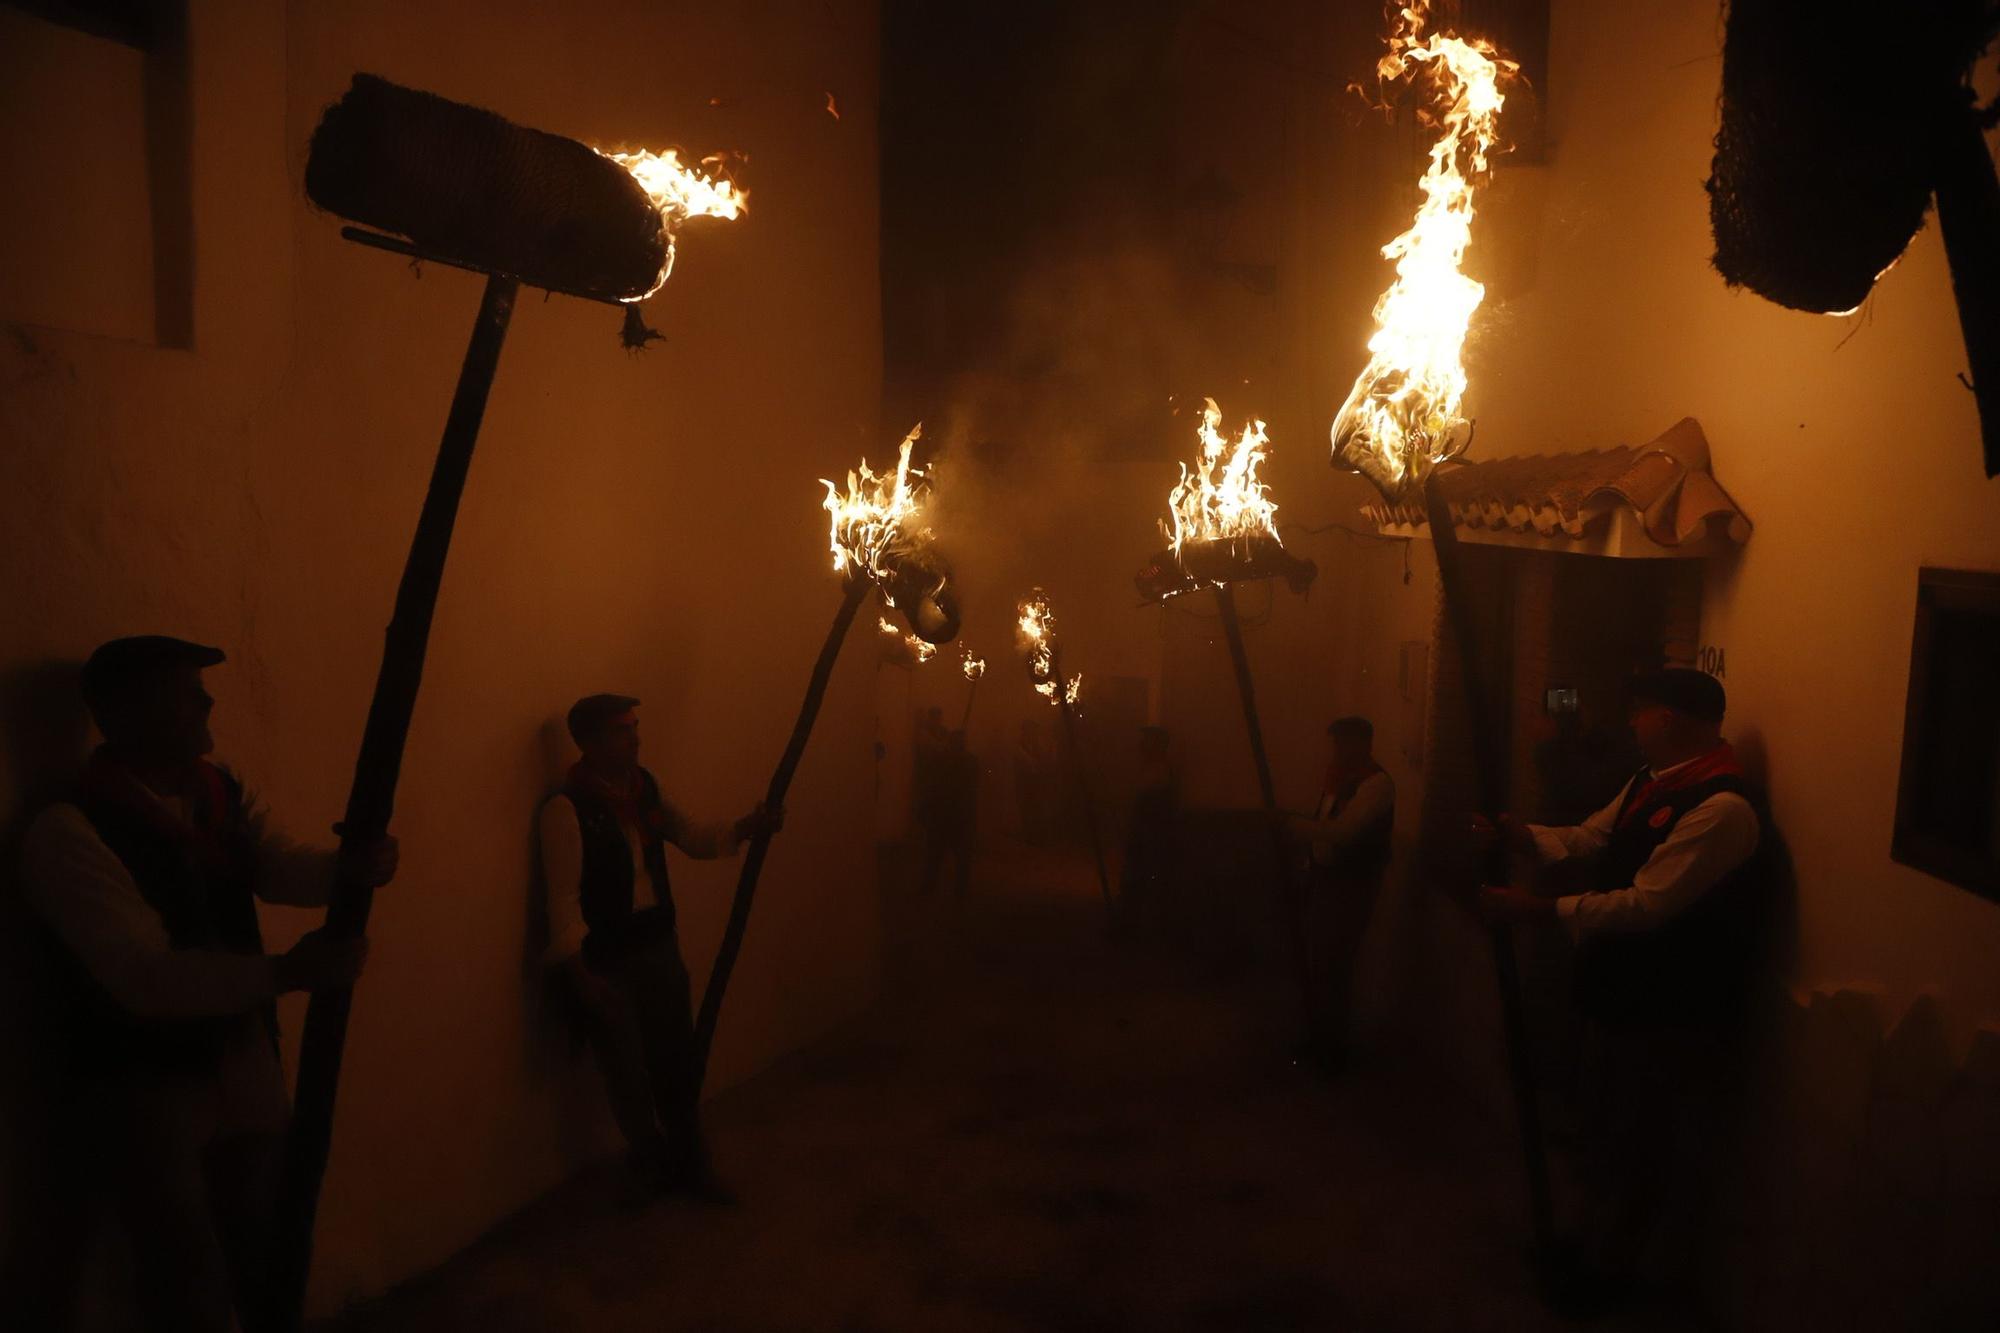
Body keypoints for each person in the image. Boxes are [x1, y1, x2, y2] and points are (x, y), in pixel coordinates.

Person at [19, 635, 398, 1332]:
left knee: (265, 1241)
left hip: (237, 1051)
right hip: (139, 1077)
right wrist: (287, 973)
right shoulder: (66, 830)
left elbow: (276, 868)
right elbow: (144, 977)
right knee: (183, 1265)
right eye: (186, 690)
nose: (207, 701)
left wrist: (353, 866)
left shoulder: (213, 792)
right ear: (126, 712)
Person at [1477, 667, 1766, 1303]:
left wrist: (1538, 910)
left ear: (1671, 720)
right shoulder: (1650, 781)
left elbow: (1646, 906)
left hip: (1667, 1005)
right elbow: (1590, 837)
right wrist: (1523, 836)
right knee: (1604, 1129)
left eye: (1641, 711)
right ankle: (1587, 1246)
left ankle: (1611, 1276)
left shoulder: (1721, 808)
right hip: (1616, 991)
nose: (1631, 722)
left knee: (1642, 1140)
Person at [538, 694, 779, 1199]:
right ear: (591, 742)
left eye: (634, 726)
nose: (635, 737)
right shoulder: (567, 809)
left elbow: (691, 836)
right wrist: (582, 977)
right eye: (622, 730)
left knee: (675, 1057)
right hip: (609, 959)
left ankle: (690, 1162)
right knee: (626, 1070)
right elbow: (562, 901)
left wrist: (744, 828)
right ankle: (650, 1162)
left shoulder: (644, 790)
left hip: (657, 945)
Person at [1282, 716, 1395, 1073]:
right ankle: (1320, 1036)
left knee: (1335, 964)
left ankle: (1333, 1048)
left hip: (1352, 884)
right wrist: (1307, 865)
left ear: (1364, 744)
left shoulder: (1375, 785)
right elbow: (1323, 824)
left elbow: (1343, 833)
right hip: (1327, 879)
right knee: (1321, 961)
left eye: (1345, 743)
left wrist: (1293, 828)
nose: (1339, 750)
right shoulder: (1339, 779)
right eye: (1337, 743)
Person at [1119, 726, 1179, 932]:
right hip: (1143, 834)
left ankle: (1138, 925)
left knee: (1141, 878)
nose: (1142, 744)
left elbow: (1153, 808)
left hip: (1150, 836)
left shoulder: (1159, 772)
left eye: (1148, 740)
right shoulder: (1149, 769)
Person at [918, 729, 978, 901]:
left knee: (946, 856)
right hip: (950, 816)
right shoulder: (962, 761)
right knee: (940, 855)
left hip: (952, 816)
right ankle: (942, 888)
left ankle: (946, 889)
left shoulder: (952, 761)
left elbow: (934, 787)